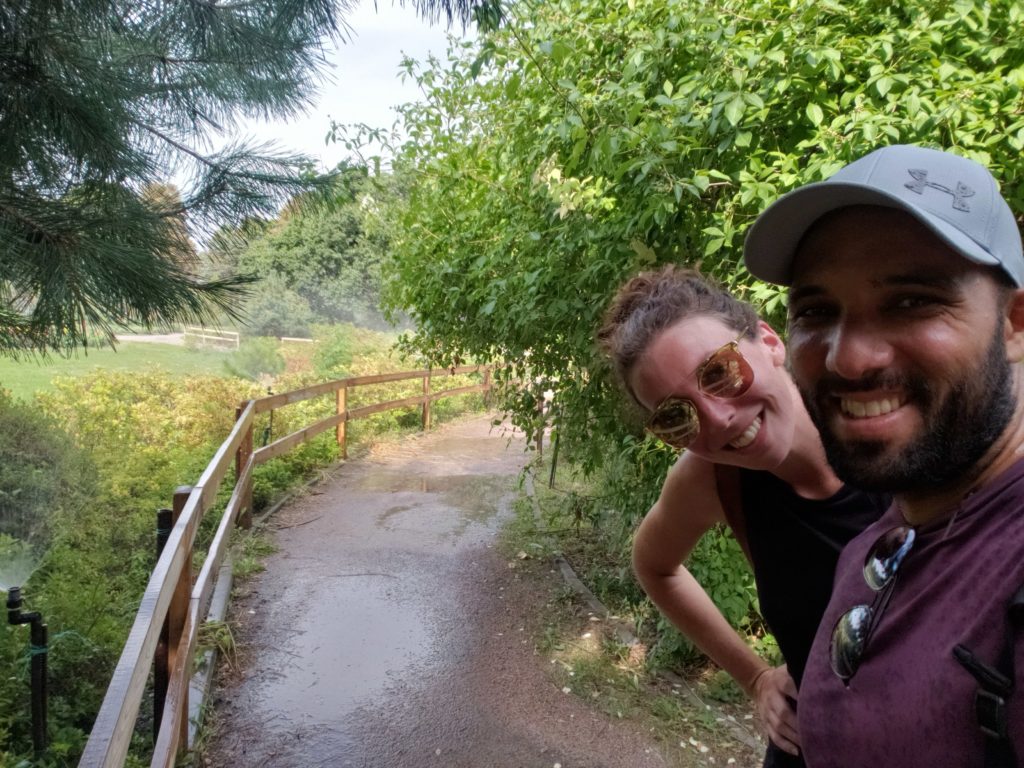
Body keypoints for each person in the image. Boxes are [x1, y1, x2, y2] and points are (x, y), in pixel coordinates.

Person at [744, 143, 1024, 768]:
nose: (847, 358)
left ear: (1014, 322)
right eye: (816, 311)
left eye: (910, 301)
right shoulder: (886, 537)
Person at [597, 267, 889, 767]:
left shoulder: (890, 424)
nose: (717, 420)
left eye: (719, 372)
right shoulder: (714, 479)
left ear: (770, 343)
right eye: (675, 415)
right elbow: (655, 565)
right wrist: (755, 677)